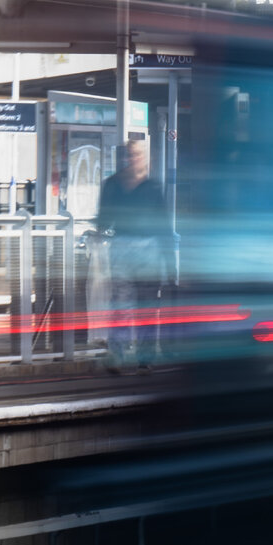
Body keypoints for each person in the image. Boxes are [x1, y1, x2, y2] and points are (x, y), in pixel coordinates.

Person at [93, 137, 170, 372]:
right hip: (123, 248)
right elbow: (103, 219)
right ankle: (117, 354)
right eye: (129, 155)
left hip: (149, 250)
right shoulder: (113, 185)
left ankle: (144, 356)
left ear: (145, 157)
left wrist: (169, 261)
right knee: (121, 304)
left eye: (137, 154)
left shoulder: (153, 187)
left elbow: (163, 224)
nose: (132, 159)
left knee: (146, 306)